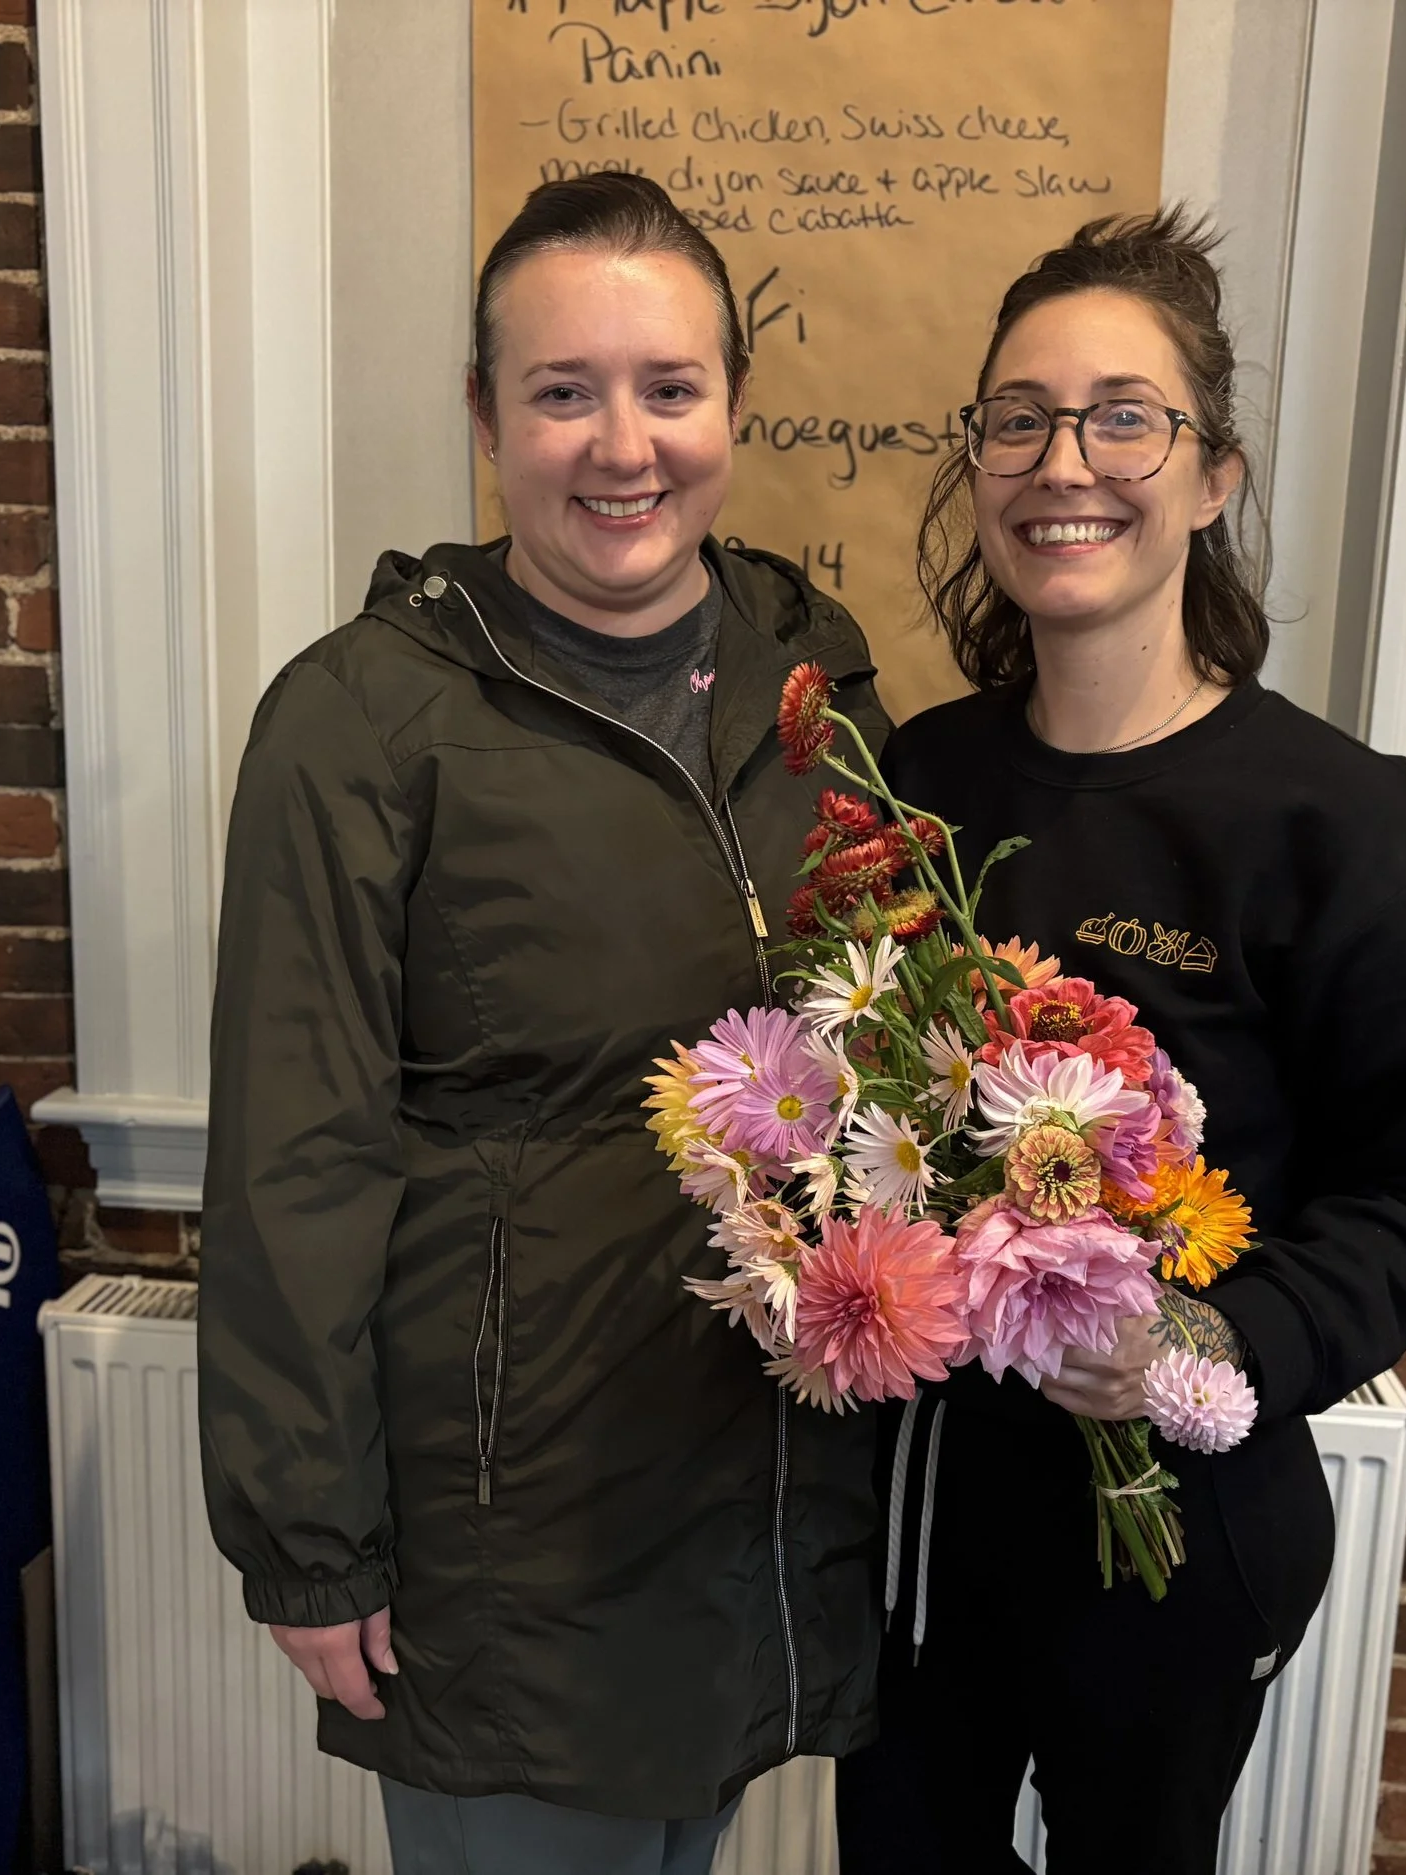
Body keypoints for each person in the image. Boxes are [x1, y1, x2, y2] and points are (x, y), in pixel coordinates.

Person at [199, 171, 887, 1875]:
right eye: (562, 392)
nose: (622, 445)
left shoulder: (821, 679)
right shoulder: (361, 719)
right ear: (485, 415)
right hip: (505, 1534)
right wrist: (310, 1545)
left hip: (747, 1478)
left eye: (670, 389)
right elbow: (297, 1156)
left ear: (733, 399)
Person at [830, 210, 1406, 1874]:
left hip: (1176, 1541)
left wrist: (1200, 1356)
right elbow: (860, 1105)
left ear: (1214, 475)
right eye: (1019, 418)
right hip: (922, 1537)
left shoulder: (1332, 815)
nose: (1068, 461)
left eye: (1126, 414)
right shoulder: (924, 778)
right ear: (979, 460)